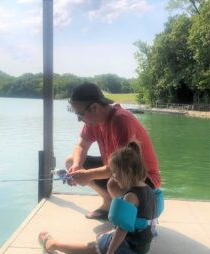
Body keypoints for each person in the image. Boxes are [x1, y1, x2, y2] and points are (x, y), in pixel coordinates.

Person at [38, 142, 156, 254]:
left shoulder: (131, 197)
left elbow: (122, 229)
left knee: (89, 247)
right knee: (102, 235)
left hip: (128, 248)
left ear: (127, 172)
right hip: (142, 246)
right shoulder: (148, 190)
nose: (113, 177)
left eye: (115, 173)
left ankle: (52, 244)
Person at [65, 82, 161, 219]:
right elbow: (81, 145)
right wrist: (77, 166)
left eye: (80, 114)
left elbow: (122, 166)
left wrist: (87, 175)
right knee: (70, 161)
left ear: (94, 107)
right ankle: (109, 201)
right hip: (118, 169)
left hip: (143, 176)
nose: (79, 119)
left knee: (114, 184)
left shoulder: (121, 120)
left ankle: (126, 221)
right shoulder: (93, 121)